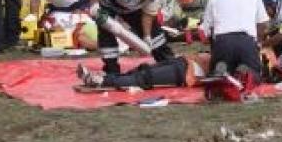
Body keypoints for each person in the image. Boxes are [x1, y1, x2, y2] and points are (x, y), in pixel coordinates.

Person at [89, 0, 175, 74]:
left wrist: (147, 36)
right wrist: (94, 6)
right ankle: (111, 71)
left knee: (155, 34)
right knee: (106, 32)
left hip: (132, 6)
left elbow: (148, 14)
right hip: (107, 3)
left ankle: (169, 64)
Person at [200, 0, 269, 77]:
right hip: (247, 41)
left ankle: (222, 69)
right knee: (254, 75)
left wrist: (215, 50)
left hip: (223, 42)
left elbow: (205, 31)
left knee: (218, 76)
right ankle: (245, 71)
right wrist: (257, 44)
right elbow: (263, 23)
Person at [77, 53, 211, 90]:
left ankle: (100, 81)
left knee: (145, 77)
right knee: (142, 70)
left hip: (187, 72)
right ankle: (106, 78)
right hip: (186, 61)